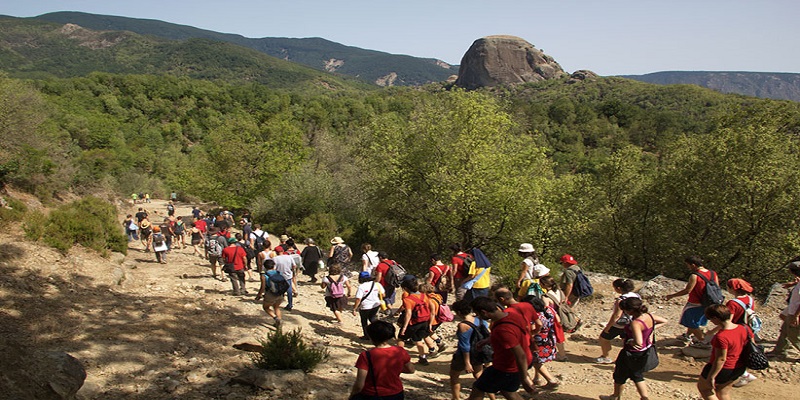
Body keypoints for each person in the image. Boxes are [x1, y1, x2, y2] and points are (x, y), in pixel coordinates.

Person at [467, 297, 535, 400]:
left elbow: (520, 355)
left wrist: (524, 378)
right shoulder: (513, 315)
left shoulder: (502, 330)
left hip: (507, 367)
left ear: (484, 312)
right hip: (523, 359)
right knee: (507, 390)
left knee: (478, 388)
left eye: (478, 314)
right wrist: (488, 340)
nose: (478, 317)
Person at [600, 297, 667, 400]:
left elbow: (638, 342)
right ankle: (644, 398)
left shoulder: (636, 323)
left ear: (630, 310)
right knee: (637, 375)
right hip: (644, 351)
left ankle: (615, 396)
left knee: (620, 374)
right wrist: (649, 330)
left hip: (631, 353)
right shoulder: (648, 316)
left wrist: (630, 341)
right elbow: (664, 321)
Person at [697, 304, 751, 400]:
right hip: (739, 367)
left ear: (716, 318)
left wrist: (711, 377)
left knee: (704, 389)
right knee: (723, 392)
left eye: (710, 319)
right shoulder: (744, 328)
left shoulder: (721, 337)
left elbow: (721, 359)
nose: (711, 321)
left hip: (724, 368)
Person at [349, 321, 414, 400]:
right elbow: (411, 370)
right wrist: (393, 370)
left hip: (372, 394)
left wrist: (352, 396)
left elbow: (359, 385)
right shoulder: (400, 351)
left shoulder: (366, 355)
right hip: (396, 393)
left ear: (371, 337)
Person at [665, 255, 719, 345]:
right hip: (708, 302)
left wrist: (672, 296)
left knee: (691, 322)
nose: (688, 267)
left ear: (693, 265)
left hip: (695, 302)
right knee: (696, 321)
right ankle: (687, 335)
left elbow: (688, 290)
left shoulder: (694, 276)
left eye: (688, 265)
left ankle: (703, 342)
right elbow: (717, 287)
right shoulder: (713, 273)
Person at [449, 300, 495, 400]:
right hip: (479, 351)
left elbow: (464, 346)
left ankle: (455, 398)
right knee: (479, 376)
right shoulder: (480, 320)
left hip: (464, 355)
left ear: (459, 313)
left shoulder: (463, 325)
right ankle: (492, 398)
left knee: (454, 376)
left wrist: (467, 362)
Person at [596, 279, 641, 364]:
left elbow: (617, 315)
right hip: (632, 323)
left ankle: (605, 356)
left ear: (619, 288)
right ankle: (627, 359)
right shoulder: (636, 295)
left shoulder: (621, 299)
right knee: (626, 341)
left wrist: (608, 327)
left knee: (604, 338)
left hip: (620, 324)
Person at [766, 260, 800, 361]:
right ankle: (779, 351)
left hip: (795, 312)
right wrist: (793, 284)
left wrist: (796, 315)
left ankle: (781, 351)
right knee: (784, 331)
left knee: (794, 336)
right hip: (792, 310)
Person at [398, 276, 435, 365]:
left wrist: (404, 327)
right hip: (424, 321)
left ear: (406, 288)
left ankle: (399, 357)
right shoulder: (424, 296)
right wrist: (430, 323)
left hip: (414, 323)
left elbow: (408, 314)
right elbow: (431, 309)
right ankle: (423, 358)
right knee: (418, 340)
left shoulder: (408, 299)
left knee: (401, 339)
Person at [525, 296, 560, 390]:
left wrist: (530, 334)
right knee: (539, 359)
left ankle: (551, 380)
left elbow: (533, 328)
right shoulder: (549, 310)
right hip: (549, 338)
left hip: (538, 341)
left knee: (537, 362)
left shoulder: (534, 316)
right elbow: (558, 320)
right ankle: (537, 378)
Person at [353, 271, 386, 340]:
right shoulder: (377, 284)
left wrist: (354, 309)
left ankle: (367, 336)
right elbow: (383, 295)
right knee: (372, 318)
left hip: (365, 307)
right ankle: (380, 331)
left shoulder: (361, 287)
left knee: (364, 321)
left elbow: (358, 299)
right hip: (376, 305)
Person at [274, 246, 299, 310]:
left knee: (279, 290)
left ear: (276, 252)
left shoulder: (275, 259)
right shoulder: (289, 257)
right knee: (289, 291)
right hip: (288, 275)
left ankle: (278, 303)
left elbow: (274, 268)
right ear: (283, 251)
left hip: (279, 276)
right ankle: (290, 304)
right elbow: (294, 266)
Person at [261, 260, 284, 327]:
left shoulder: (264, 275)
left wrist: (259, 295)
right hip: (280, 293)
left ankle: (276, 318)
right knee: (276, 307)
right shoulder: (278, 273)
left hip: (270, 294)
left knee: (266, 307)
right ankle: (278, 322)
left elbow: (262, 287)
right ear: (274, 266)